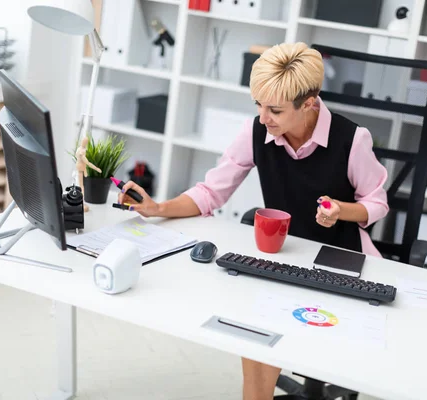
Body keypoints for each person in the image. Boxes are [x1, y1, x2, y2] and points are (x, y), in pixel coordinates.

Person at [117, 42, 389, 400]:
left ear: (309, 103)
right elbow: (211, 192)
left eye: (274, 109)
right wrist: (158, 208)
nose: (263, 118)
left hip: (339, 254)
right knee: (253, 325)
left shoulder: (352, 140)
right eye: (258, 105)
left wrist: (342, 209)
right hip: (283, 250)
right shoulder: (257, 131)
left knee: (269, 322)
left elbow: (377, 202)